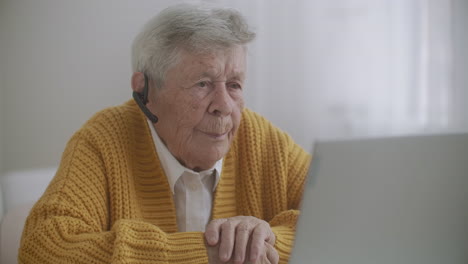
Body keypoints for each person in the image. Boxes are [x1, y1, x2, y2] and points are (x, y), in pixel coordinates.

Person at [18, 4, 311, 264]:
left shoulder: (264, 141)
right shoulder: (103, 141)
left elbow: (347, 217)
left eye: (234, 84)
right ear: (144, 91)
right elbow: (43, 247)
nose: (224, 106)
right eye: (203, 83)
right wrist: (205, 252)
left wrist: (264, 241)